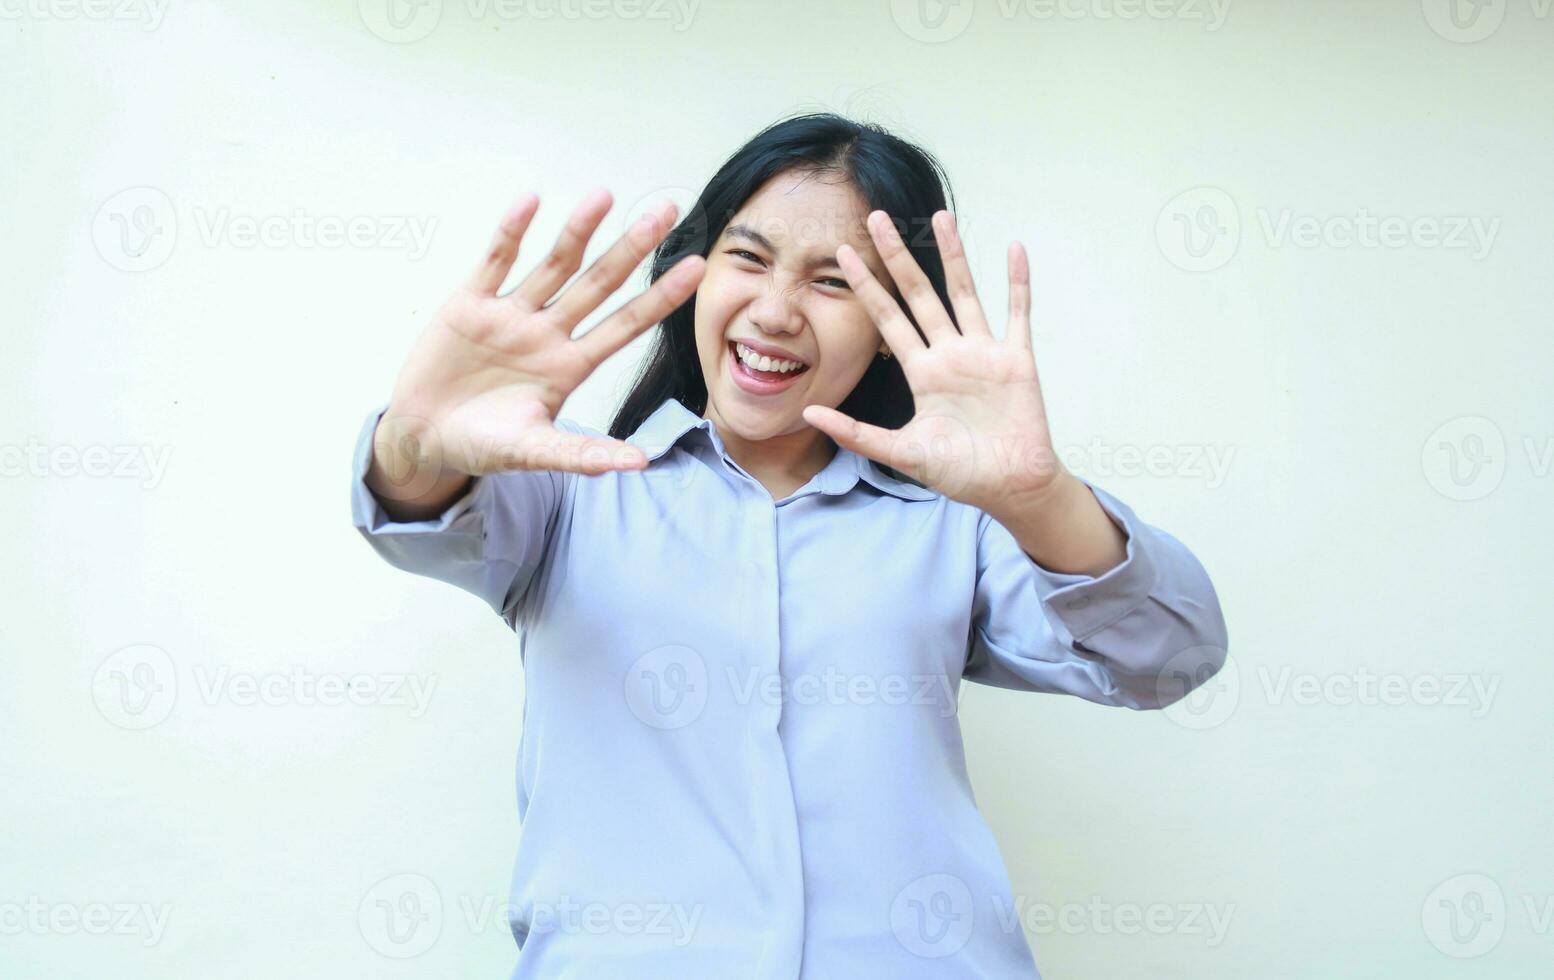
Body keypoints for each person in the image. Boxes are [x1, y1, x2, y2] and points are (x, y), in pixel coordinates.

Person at [350, 112, 1228, 979]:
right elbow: (419, 507)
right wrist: (417, 443)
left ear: (894, 323)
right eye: (749, 257)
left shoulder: (956, 524)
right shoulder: (569, 490)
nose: (774, 312)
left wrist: (1041, 499)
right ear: (694, 272)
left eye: (833, 281)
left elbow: (1168, 659)